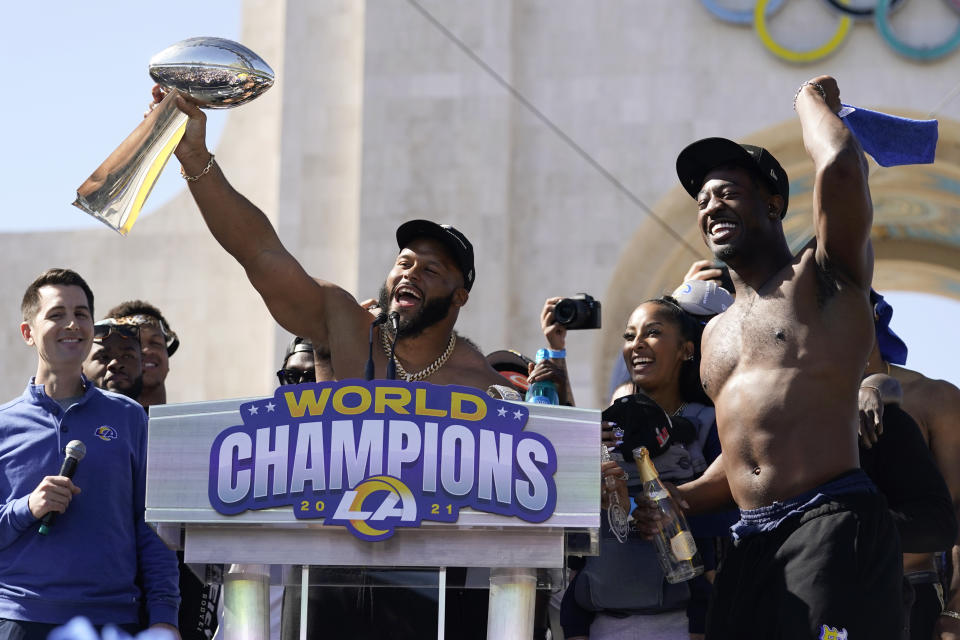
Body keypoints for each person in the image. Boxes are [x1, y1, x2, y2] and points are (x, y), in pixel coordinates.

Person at [642, 76, 903, 638]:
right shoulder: (713, 334)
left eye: (728, 191)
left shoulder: (826, 276)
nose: (711, 205)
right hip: (750, 542)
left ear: (773, 202)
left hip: (831, 522)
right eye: (703, 198)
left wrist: (809, 101)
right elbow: (746, 449)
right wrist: (680, 496)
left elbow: (839, 165)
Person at [153, 85, 504, 395]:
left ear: (460, 296)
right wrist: (195, 157)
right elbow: (259, 252)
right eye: (404, 263)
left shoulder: (484, 387)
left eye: (431, 270)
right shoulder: (346, 328)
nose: (410, 274)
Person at [0, 269, 180, 639]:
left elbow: (153, 528)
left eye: (81, 314)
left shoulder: (129, 418)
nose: (72, 324)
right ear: (28, 333)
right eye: (56, 314)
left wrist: (164, 617)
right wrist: (28, 507)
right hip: (20, 619)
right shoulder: (4, 425)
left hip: (112, 619)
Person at [541, 296, 724, 639]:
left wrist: (673, 506)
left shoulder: (708, 423)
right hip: (599, 615)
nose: (637, 344)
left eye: (652, 333)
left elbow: (732, 505)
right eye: (629, 336)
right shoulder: (606, 429)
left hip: (683, 621)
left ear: (686, 350)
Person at [863, 291, 960, 640]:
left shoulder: (936, 399)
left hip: (916, 594)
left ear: (875, 315)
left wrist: (955, 610)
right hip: (829, 592)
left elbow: (958, 513)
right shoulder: (802, 401)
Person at [104, 301, 180, 409]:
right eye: (135, 343)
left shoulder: (194, 423)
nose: (146, 350)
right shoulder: (92, 424)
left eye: (155, 342)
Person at [82, 319, 144, 400]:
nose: (115, 364)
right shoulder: (64, 412)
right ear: (81, 367)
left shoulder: (163, 413)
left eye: (127, 356)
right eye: (104, 357)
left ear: (142, 365)